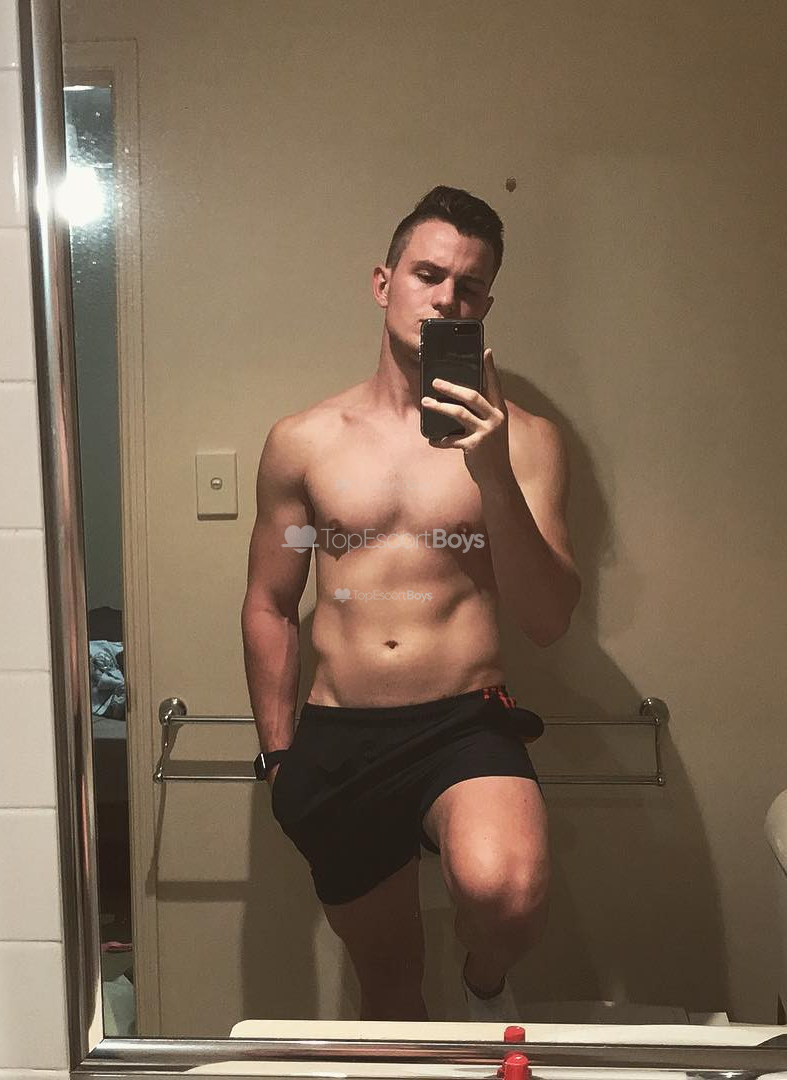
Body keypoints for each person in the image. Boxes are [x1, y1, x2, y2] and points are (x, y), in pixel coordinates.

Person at [241, 185, 581, 1021]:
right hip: (340, 733)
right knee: (389, 985)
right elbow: (271, 603)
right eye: (428, 274)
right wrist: (279, 755)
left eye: (469, 285)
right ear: (383, 282)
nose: (446, 297)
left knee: (507, 896)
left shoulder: (528, 441)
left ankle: (484, 983)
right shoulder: (304, 441)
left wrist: (492, 472)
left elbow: (546, 619)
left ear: (485, 306)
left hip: (465, 720)